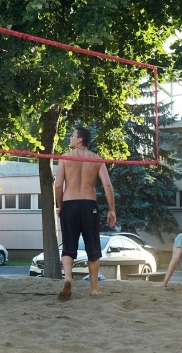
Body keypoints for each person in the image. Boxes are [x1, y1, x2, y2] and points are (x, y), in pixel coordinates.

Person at [54, 126, 116, 300]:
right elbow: (108, 185)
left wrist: (60, 205)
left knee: (68, 246)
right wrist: (111, 209)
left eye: (72, 135)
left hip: (69, 204)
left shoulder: (65, 157)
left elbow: (58, 185)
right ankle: (94, 289)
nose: (70, 138)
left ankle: (68, 277)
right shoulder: (96, 159)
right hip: (89, 205)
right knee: (93, 247)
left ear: (80, 139)